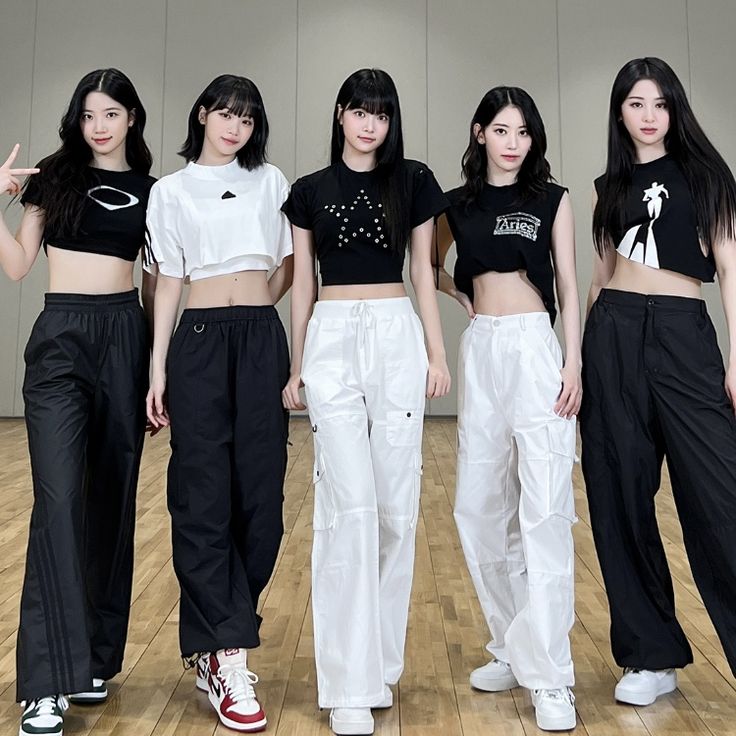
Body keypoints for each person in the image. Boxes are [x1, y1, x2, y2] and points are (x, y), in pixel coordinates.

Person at [281, 68, 450, 736]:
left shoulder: (412, 180)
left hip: (396, 335)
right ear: (341, 115)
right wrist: (296, 368)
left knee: (395, 510)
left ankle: (379, 662)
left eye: (381, 113)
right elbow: (300, 288)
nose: (369, 124)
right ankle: (346, 683)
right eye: (358, 110)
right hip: (331, 338)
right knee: (346, 508)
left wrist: (437, 354)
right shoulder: (307, 192)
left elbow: (424, 273)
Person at [0, 68, 155, 736]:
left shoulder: (155, 193)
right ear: (78, 118)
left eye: (112, 113)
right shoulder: (52, 180)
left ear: (130, 119)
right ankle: (44, 682)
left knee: (110, 499)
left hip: (127, 337)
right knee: (59, 502)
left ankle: (90, 657)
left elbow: (159, 286)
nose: (99, 125)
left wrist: (162, 372)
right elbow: (16, 266)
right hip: (62, 339)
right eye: (89, 113)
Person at [581, 56, 736, 707]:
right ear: (620, 111)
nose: (648, 115)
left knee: (720, 497)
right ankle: (651, 654)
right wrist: (574, 360)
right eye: (636, 103)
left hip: (682, 334)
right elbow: (601, 273)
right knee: (619, 493)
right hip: (611, 334)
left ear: (675, 111)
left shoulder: (705, 175)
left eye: (659, 103)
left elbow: (729, 265)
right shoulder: (610, 184)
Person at [146, 73, 293, 733]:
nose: (235, 127)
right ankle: (230, 656)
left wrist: (259, 306)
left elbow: (292, 262)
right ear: (202, 113)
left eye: (248, 118)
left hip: (261, 342)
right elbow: (167, 282)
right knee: (201, 498)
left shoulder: (273, 182)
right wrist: (158, 368)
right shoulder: (169, 192)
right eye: (226, 114)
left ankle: (212, 641)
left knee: (261, 506)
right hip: (199, 346)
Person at [435, 86, 580, 731]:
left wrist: (572, 362)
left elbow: (571, 288)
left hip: (536, 349)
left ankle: (551, 675)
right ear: (479, 134)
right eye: (501, 130)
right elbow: (428, 265)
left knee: (544, 507)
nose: (513, 142)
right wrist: (462, 300)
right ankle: (513, 642)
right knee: (478, 506)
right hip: (484, 350)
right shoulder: (457, 203)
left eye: (523, 131)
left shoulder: (551, 199)